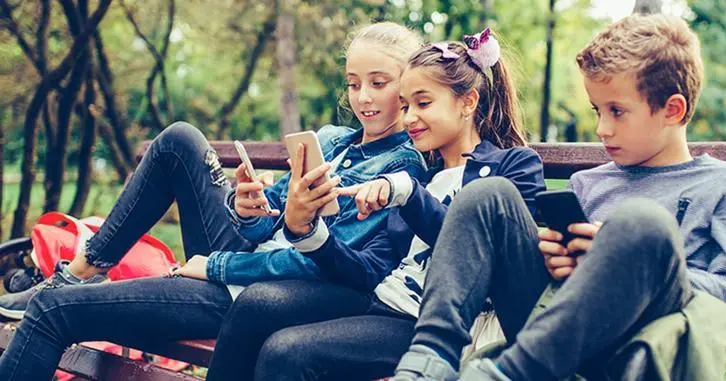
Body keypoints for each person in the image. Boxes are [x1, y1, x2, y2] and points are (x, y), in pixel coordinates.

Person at [0, 21, 428, 381]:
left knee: (50, 310)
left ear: (407, 87)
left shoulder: (398, 171)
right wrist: (248, 208)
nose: (363, 98)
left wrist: (214, 265)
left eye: (379, 83)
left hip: (253, 291)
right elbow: (268, 224)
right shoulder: (333, 141)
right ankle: (80, 271)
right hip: (243, 264)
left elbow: (323, 263)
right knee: (179, 140)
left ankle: (65, 287)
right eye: (354, 84)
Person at [390, 14, 726, 381]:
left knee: (640, 224)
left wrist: (629, 260)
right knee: (487, 194)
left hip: (639, 350)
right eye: (597, 110)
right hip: (557, 332)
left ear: (673, 109)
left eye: (617, 111)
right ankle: (427, 363)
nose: (602, 128)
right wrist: (556, 258)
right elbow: (552, 282)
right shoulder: (588, 183)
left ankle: (507, 373)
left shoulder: (723, 184)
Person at [203, 28, 547, 381]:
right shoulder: (420, 177)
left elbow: (488, 253)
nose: (410, 118)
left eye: (423, 103)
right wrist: (309, 232)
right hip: (385, 302)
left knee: (286, 351)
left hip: (428, 324)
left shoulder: (513, 166)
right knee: (258, 304)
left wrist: (407, 193)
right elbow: (370, 269)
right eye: (407, 105)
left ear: (468, 102)